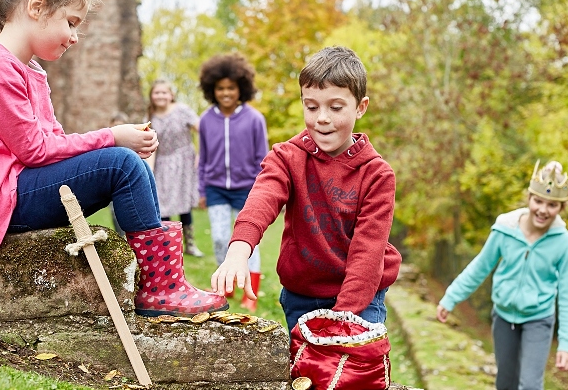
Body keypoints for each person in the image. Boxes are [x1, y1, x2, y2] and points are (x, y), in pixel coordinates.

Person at [0, 0, 227, 318]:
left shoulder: (26, 68)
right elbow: (37, 151)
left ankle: (165, 281)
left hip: (11, 188)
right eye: (71, 23)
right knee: (121, 163)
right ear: (37, 6)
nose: (74, 36)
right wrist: (111, 137)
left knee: (129, 165)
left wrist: (112, 141)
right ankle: (161, 287)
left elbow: (51, 142)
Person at [210, 46, 402, 330]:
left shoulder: (377, 175)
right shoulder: (287, 157)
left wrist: (341, 318)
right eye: (311, 107)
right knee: (305, 371)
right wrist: (239, 251)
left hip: (361, 299)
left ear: (361, 107)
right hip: (301, 296)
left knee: (352, 371)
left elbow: (367, 256)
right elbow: (262, 199)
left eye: (335, 107)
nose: (322, 117)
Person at [436, 160, 568, 390]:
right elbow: (479, 267)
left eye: (552, 205)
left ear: (561, 208)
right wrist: (451, 297)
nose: (543, 209)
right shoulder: (505, 229)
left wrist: (566, 344)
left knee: (531, 385)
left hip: (539, 319)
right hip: (503, 317)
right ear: (529, 198)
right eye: (538, 201)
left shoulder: (565, 244)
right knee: (505, 382)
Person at [198, 53, 269, 312]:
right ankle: (224, 286)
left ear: (241, 89)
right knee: (219, 238)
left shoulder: (254, 119)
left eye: (231, 88)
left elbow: (263, 158)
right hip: (216, 188)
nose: (225, 93)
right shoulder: (206, 120)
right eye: (220, 88)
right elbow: (203, 159)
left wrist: (261, 190)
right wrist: (202, 189)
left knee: (250, 240)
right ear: (212, 90)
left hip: (247, 189)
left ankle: (251, 291)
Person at [147, 79, 204, 257]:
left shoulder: (182, 111)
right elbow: (150, 146)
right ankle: (171, 245)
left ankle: (191, 244)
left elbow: (202, 129)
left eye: (164, 92)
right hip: (163, 163)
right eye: (157, 92)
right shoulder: (150, 117)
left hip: (184, 160)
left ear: (171, 95)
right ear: (152, 96)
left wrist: (202, 155)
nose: (161, 96)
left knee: (183, 202)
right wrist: (148, 170)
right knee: (164, 204)